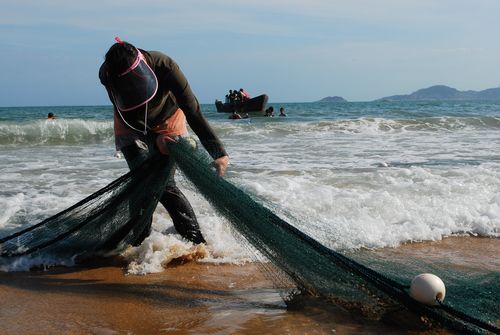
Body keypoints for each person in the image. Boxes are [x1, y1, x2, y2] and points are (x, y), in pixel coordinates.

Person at [99, 37, 229, 245]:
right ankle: (139, 246)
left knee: (165, 185)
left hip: (168, 119)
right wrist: (154, 140)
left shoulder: (165, 65)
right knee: (142, 181)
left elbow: (192, 109)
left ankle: (196, 244)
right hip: (129, 123)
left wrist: (218, 153)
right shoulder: (106, 75)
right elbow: (130, 117)